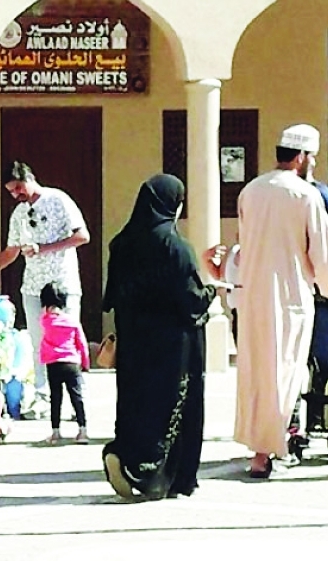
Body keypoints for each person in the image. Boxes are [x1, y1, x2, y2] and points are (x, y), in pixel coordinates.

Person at [224, 124, 328, 478]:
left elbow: (244, 243)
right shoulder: (304, 195)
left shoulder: (251, 191)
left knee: (256, 372)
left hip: (251, 294)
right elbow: (323, 253)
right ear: (303, 157)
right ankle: (267, 451)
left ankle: (260, 449)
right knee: (285, 372)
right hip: (290, 295)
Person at [100, 174, 216, 501]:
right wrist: (212, 290)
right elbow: (191, 299)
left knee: (136, 403)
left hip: (135, 343)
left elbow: (112, 297)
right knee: (173, 406)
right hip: (174, 347)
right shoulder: (176, 247)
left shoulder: (121, 243)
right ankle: (163, 476)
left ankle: (128, 459)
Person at [0, 161, 89, 397]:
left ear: (29, 178)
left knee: (67, 341)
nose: (16, 194)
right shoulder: (19, 214)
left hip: (63, 284)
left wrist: (44, 248)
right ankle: (42, 395)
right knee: (38, 343)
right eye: (11, 191)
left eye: (19, 187)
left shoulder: (58, 199)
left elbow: (82, 236)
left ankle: (74, 394)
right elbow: (10, 252)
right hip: (33, 287)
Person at [38, 282, 90, 445]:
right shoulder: (72, 321)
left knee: (56, 397)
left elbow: (45, 316)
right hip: (71, 362)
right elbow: (81, 342)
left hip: (53, 363)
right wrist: (85, 363)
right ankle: (82, 430)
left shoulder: (45, 321)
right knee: (76, 396)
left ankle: (55, 432)